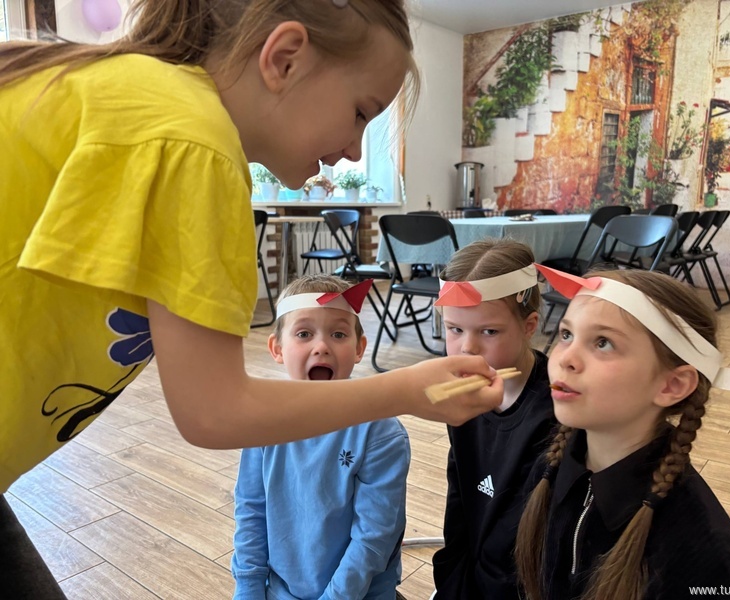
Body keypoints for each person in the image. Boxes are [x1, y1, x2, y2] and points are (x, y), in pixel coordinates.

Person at [0, 1, 503, 596]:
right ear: (284, 59)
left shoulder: (132, 95)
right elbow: (213, 411)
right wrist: (406, 390)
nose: (353, 150)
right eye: (360, 113)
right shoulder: (194, 140)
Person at [515, 265, 730, 600]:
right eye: (566, 335)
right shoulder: (550, 470)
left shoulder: (708, 553)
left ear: (672, 385)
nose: (566, 358)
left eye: (603, 342)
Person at [232, 276, 410, 599]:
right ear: (277, 348)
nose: (321, 346)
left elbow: (373, 538)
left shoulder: (380, 432)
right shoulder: (263, 422)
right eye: (304, 334)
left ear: (359, 348)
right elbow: (251, 510)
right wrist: (248, 588)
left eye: (338, 334)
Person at [431, 239, 557, 599]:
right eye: (454, 329)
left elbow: (533, 539)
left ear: (529, 325)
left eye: (488, 331)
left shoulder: (555, 414)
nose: (467, 348)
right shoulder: (462, 393)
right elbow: (460, 496)